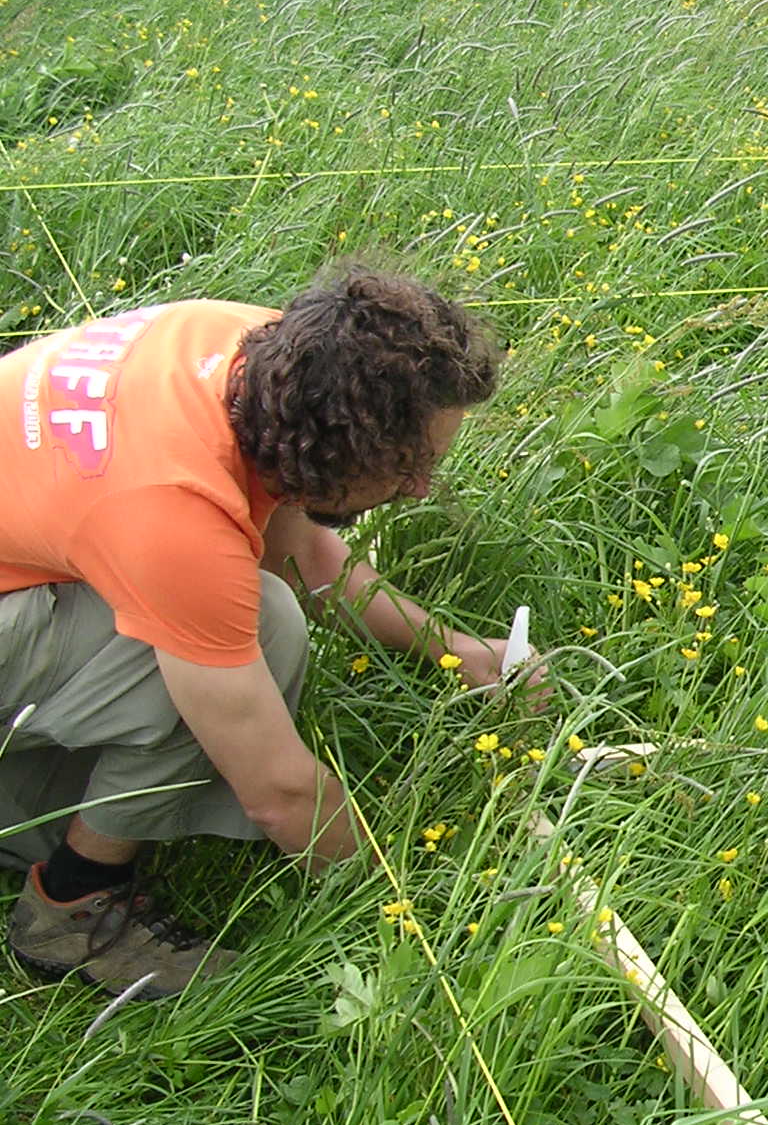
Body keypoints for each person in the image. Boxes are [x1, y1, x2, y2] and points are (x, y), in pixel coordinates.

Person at [0, 266, 521, 999]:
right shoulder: (174, 519)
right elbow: (280, 791)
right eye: (409, 467)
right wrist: (413, 915)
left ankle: (37, 805)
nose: (421, 489)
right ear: (328, 452)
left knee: (244, 608)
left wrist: (457, 649)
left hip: (33, 567)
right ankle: (70, 907)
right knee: (261, 623)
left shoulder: (257, 354)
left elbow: (307, 554)